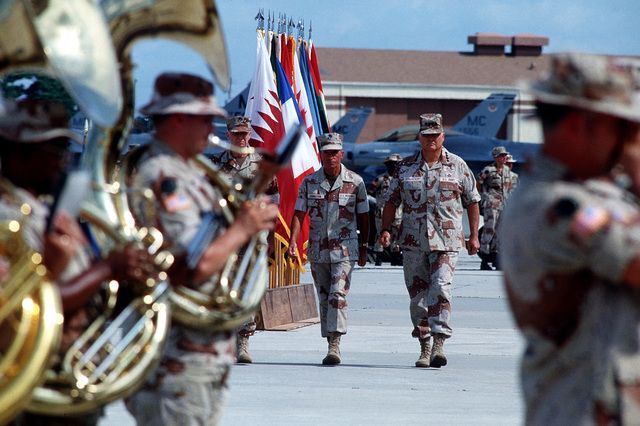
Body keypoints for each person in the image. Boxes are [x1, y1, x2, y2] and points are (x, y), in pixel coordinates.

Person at [125, 73, 278, 425]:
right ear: (179, 119)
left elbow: (213, 225)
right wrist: (244, 229)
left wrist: (258, 182)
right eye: (205, 118)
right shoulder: (163, 177)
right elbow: (192, 264)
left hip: (201, 353)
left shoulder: (190, 172)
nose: (212, 127)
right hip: (178, 358)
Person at [499, 52, 640, 424]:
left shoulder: (583, 194)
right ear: (578, 126)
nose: (627, 139)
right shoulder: (562, 208)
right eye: (620, 126)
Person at [0, 98, 158, 426]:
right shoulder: (7, 219)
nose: (63, 160)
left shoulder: (44, 211)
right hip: (32, 389)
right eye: (54, 149)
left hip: (67, 379)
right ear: (20, 153)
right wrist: (107, 269)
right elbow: (23, 312)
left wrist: (126, 283)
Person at [379, 113, 480, 368]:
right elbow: (391, 200)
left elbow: (473, 201)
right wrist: (386, 229)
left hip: (447, 242)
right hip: (413, 242)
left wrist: (475, 236)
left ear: (442, 137)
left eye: (436, 135)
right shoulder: (405, 167)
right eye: (427, 136)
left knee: (441, 288)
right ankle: (423, 346)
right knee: (418, 297)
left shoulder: (457, 165)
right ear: (419, 138)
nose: (431, 140)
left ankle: (439, 344)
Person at [287, 132, 369, 365]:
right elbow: (299, 213)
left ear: (341, 154)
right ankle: (329, 341)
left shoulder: (356, 182)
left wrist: (364, 248)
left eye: (335, 152)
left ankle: (335, 344)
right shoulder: (309, 182)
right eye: (326, 153)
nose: (331, 157)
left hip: (345, 250)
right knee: (324, 298)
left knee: (337, 294)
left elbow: (363, 217)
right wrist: (293, 241)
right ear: (321, 155)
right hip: (318, 250)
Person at [209, 115, 279, 364]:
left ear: (250, 135)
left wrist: (271, 237)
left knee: (248, 287)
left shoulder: (261, 165)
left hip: (253, 239)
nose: (241, 138)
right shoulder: (214, 164)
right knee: (221, 287)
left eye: (244, 133)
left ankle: (243, 341)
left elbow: (272, 203)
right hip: (223, 237)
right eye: (236, 134)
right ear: (227, 136)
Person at [476, 146, 513, 270]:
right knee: (489, 230)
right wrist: (484, 195)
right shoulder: (488, 170)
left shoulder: (507, 171)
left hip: (503, 204)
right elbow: (478, 182)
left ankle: (496, 257)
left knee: (499, 232)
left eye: (505, 155)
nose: (504, 158)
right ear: (495, 157)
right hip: (491, 204)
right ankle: (484, 258)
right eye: (501, 155)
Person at [367, 154, 403, 266]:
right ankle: (378, 257)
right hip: (381, 213)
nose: (395, 166)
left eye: (397, 164)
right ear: (388, 165)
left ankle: (395, 256)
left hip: (398, 213)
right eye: (392, 164)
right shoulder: (381, 179)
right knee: (380, 233)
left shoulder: (402, 180)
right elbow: (369, 191)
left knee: (397, 234)